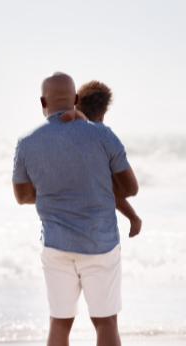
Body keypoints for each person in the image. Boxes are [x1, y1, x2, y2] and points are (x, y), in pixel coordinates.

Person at [12, 73, 139, 346]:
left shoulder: (26, 142)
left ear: (43, 103)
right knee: (106, 324)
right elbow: (130, 188)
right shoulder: (102, 136)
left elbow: (23, 196)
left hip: (56, 245)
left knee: (59, 324)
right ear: (77, 100)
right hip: (101, 244)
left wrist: (55, 192)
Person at [61, 80, 142, 237]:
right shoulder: (105, 136)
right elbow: (131, 189)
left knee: (103, 185)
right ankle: (134, 217)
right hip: (99, 232)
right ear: (103, 115)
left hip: (63, 228)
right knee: (108, 186)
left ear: (76, 102)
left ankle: (133, 217)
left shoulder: (65, 128)